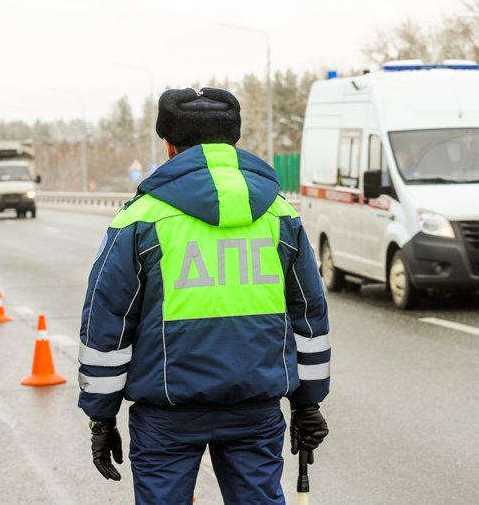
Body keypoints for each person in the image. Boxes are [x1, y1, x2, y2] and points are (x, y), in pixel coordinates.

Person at [77, 87, 331, 504]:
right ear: (235, 142)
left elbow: (108, 321)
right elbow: (310, 315)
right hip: (256, 410)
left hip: (167, 416)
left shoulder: (141, 219)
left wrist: (101, 416)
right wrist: (307, 403)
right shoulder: (279, 215)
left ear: (168, 146)